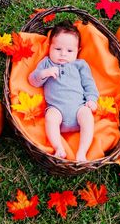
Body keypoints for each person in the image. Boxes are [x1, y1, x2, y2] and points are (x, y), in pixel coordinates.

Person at [28, 20, 99, 161]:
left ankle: (81, 152)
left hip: (79, 108)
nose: (63, 54)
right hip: (57, 109)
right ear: (50, 47)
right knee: (50, 117)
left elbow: (89, 84)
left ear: (77, 51)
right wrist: (45, 73)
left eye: (69, 51)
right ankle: (59, 147)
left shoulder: (80, 65)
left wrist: (92, 99)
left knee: (87, 116)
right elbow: (33, 80)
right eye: (58, 49)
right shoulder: (46, 63)